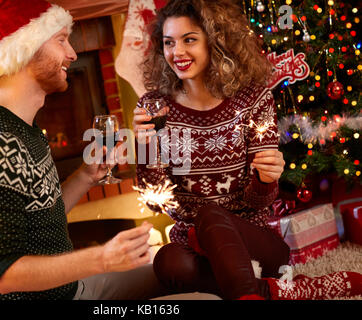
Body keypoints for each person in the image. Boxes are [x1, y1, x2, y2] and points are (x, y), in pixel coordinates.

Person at [133, 0, 362, 300]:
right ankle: (279, 290)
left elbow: (259, 201)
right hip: (193, 245)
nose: (177, 52)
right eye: (168, 42)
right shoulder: (153, 106)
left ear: (216, 42)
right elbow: (155, 202)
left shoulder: (252, 98)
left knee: (210, 216)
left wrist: (266, 180)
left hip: (257, 243)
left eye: (189, 39)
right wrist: (146, 149)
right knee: (168, 264)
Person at [0, 0, 169, 300]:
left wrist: (85, 176)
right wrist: (104, 257)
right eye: (61, 41)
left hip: (70, 291)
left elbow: (41, 219)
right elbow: (2, 273)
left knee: (176, 270)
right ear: (25, 49)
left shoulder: (23, 128)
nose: (72, 53)